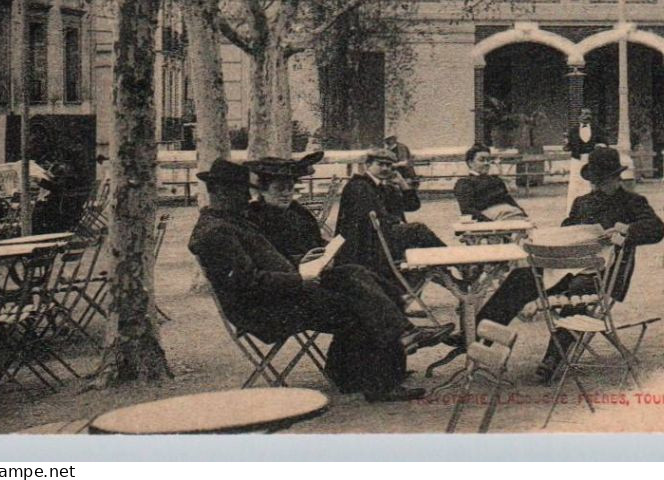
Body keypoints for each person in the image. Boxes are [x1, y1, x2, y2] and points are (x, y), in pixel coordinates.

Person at [187, 158, 424, 401]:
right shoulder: (217, 232)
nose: (248, 198)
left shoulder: (230, 221)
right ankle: (381, 380)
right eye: (239, 192)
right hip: (264, 310)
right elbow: (249, 283)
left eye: (246, 191)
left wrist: (301, 267)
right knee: (359, 303)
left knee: (355, 282)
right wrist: (300, 279)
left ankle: (355, 372)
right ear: (217, 191)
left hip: (283, 293)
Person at [474, 146, 664, 381]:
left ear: (616, 177)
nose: (596, 186)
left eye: (602, 181)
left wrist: (627, 229)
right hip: (567, 268)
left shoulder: (632, 202)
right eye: (594, 181)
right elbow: (568, 230)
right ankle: (475, 335)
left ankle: (553, 357)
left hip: (604, 273)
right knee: (521, 277)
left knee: (579, 288)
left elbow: (656, 229)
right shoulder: (582, 202)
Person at [335, 148, 447, 286]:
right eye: (380, 164)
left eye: (389, 165)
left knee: (424, 251)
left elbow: (412, 206)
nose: (385, 168)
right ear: (368, 165)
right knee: (418, 230)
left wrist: (402, 184)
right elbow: (367, 219)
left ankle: (455, 281)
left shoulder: (383, 187)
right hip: (366, 246)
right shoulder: (359, 186)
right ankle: (457, 262)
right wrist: (398, 223)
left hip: (381, 240)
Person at [453, 144, 525, 220]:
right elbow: (467, 209)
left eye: (488, 160)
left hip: (513, 215)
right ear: (470, 162)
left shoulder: (497, 180)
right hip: (492, 220)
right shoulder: (465, 183)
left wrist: (524, 214)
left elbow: (509, 200)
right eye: (482, 160)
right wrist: (490, 223)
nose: (486, 163)